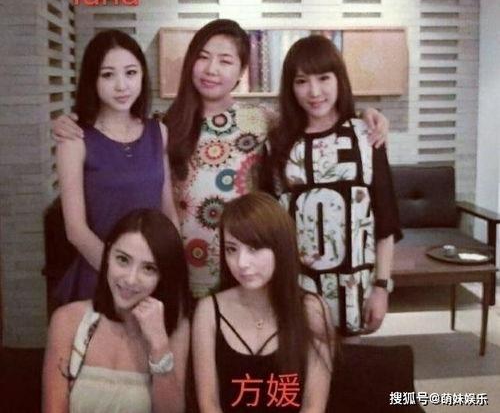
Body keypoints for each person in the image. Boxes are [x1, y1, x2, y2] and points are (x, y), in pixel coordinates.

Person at [52, 21, 389, 300]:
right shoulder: (165, 125)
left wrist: (364, 116)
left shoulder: (261, 119)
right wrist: (69, 122)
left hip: (244, 263)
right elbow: (118, 135)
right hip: (177, 264)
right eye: (203, 57)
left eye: (226, 61)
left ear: (241, 71)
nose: (212, 69)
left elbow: (315, 120)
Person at [264, 35, 402, 337]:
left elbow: (386, 220)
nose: (314, 92)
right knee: (303, 359)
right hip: (298, 284)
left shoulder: (366, 135)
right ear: (290, 87)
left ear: (339, 79)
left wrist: (381, 287)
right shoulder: (277, 143)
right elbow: (271, 223)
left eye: (324, 78)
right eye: (302, 81)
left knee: (351, 361)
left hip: (356, 285)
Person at [55, 29, 179, 303]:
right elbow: (76, 230)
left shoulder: (159, 131)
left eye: (131, 73)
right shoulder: (74, 139)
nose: (122, 86)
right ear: (93, 80)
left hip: (153, 276)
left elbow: (168, 210)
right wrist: (122, 278)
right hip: (100, 274)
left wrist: (167, 268)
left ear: (143, 75)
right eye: (108, 75)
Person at [192, 192, 333, 412]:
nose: (241, 263)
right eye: (231, 249)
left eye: (254, 248)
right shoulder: (209, 310)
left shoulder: (312, 309)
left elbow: (313, 406)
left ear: (280, 247)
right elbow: (209, 404)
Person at [42, 209, 190, 413]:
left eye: (149, 268)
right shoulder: (67, 319)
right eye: (123, 260)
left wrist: (159, 345)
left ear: (164, 275)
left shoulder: (175, 326)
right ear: (108, 256)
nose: (130, 279)